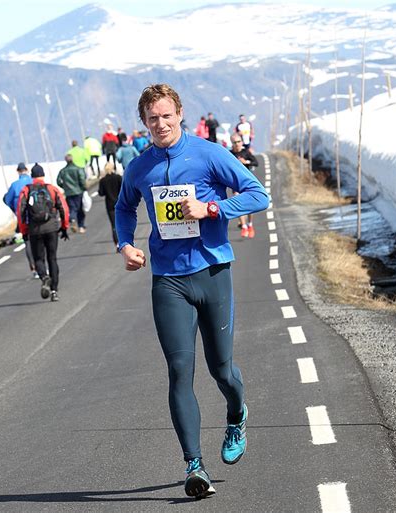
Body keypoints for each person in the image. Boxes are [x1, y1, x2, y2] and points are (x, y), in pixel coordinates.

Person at [115, 84, 269, 499]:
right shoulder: (140, 166)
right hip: (168, 281)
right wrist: (125, 244)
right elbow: (124, 207)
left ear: (179, 114)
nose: (160, 124)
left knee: (222, 370)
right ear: (143, 122)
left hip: (212, 271)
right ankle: (193, 464)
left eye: (167, 116)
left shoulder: (208, 154)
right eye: (152, 119)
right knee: (180, 370)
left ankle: (236, 415)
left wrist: (213, 208)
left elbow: (259, 194)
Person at [17, 164, 70, 303]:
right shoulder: (51, 189)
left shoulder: (26, 190)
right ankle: (54, 291)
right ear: (43, 175)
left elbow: (20, 212)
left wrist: (24, 231)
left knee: (39, 259)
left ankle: (44, 277)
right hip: (52, 228)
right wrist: (64, 226)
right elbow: (63, 207)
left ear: (32, 176)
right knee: (52, 258)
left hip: (35, 230)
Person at [3, 162, 37, 277]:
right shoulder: (33, 182)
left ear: (18, 171)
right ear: (27, 170)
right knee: (39, 241)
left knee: (28, 242)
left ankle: (33, 268)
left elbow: (7, 199)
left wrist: (16, 210)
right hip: (37, 217)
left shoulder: (14, 185)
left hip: (22, 218)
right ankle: (42, 265)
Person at [230, 134, 259, 238]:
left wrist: (245, 162)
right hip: (235, 183)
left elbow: (256, 163)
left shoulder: (246, 152)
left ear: (242, 142)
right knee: (239, 204)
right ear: (231, 143)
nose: (237, 144)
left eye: (238, 142)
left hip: (247, 182)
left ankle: (250, 225)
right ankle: (244, 226)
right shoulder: (229, 154)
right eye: (234, 142)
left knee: (250, 206)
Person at [57, 154, 87, 234]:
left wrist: (64, 187)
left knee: (72, 208)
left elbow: (58, 181)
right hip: (78, 191)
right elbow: (82, 179)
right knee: (80, 209)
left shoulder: (63, 171)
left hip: (68, 193)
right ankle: (81, 226)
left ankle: (72, 219)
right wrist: (83, 187)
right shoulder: (77, 169)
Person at [98, 162, 122, 250]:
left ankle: (118, 244)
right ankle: (127, 242)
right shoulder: (118, 178)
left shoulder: (103, 180)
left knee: (114, 225)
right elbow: (123, 189)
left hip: (110, 205)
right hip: (120, 203)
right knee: (123, 223)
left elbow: (101, 193)